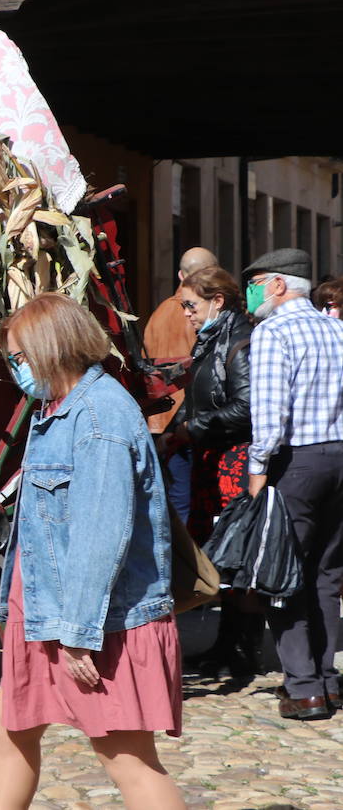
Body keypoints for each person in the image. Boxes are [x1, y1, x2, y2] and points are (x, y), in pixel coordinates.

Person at [0, 293, 184, 810]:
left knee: (127, 758)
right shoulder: (59, 409)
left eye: (20, 358)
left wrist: (77, 637)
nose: (15, 370)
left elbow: (101, 535)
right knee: (11, 726)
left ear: (52, 348)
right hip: (48, 608)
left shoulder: (99, 418)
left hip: (94, 619)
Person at [242, 249, 343, 721]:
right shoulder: (336, 328)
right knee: (326, 573)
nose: (254, 291)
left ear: (279, 285)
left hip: (295, 462)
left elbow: (269, 415)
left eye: (258, 281)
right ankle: (326, 681)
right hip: (339, 456)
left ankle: (304, 689)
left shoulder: (273, 332)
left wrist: (257, 469)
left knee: (282, 574)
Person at [169, 267, 261, 677]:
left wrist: (193, 429)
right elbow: (202, 396)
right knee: (220, 556)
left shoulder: (240, 343)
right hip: (212, 458)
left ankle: (241, 651)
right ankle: (226, 646)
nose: (186, 314)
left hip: (234, 462)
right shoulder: (212, 339)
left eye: (191, 305)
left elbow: (246, 407)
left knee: (238, 556)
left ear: (217, 301)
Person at [145, 247, 218, 524]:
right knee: (190, 507)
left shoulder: (159, 312)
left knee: (174, 506)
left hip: (160, 421)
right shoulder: (200, 314)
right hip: (187, 424)